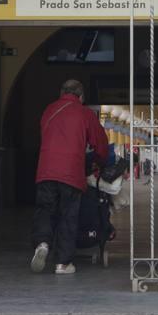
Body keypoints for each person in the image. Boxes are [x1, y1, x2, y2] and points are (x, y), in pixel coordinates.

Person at [31, 78, 108, 275]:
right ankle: (63, 263)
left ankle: (42, 243)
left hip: (46, 170)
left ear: (61, 93)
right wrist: (100, 161)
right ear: (81, 97)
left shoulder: (49, 110)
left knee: (45, 210)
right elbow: (100, 142)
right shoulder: (84, 113)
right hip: (71, 173)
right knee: (68, 216)